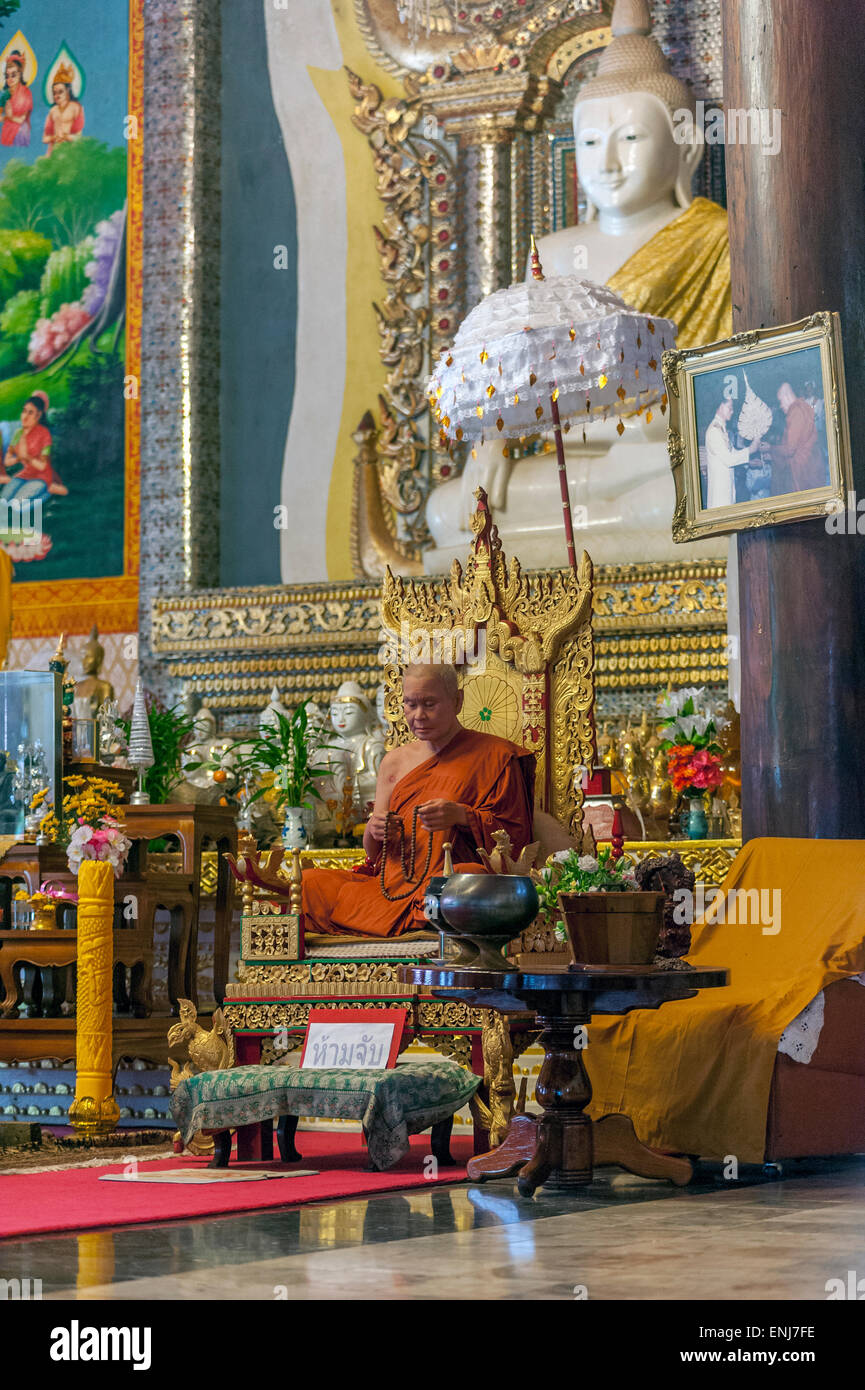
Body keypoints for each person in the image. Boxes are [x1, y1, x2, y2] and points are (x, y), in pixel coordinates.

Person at [301, 662, 535, 937]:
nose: (418, 715)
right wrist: (376, 831)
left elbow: (516, 840)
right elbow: (374, 853)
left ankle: (412, 915)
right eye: (410, 705)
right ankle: (408, 918)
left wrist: (462, 816)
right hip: (390, 886)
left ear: (457, 701)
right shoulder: (394, 762)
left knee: (463, 881)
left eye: (429, 704)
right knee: (309, 883)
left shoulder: (496, 756)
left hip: (447, 881)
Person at [0, 393, 68, 500]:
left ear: (39, 414)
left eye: (30, 412)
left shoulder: (44, 433)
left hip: (40, 476)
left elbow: (43, 466)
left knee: (18, 503)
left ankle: (50, 489)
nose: (25, 416)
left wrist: (26, 456)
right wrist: (18, 457)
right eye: (24, 411)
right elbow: (8, 460)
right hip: (24, 474)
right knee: (4, 499)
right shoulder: (18, 432)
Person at [704, 397, 759, 509]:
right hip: (719, 496)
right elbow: (729, 460)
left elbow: (732, 452)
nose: (732, 411)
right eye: (730, 407)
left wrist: (748, 461)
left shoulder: (721, 428)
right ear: (720, 406)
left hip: (726, 489)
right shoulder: (714, 431)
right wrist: (750, 450)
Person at [772, 381, 825, 493]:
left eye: (780, 402)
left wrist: (771, 449)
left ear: (786, 397)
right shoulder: (804, 406)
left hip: (803, 471)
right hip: (812, 465)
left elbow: (790, 449)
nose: (780, 406)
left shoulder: (796, 411)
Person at [42, 67, 85, 155]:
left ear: (68, 90)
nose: (57, 96)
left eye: (60, 92)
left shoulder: (75, 108)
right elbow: (45, 138)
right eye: (54, 93)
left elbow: (79, 137)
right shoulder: (53, 111)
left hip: (70, 150)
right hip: (54, 151)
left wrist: (65, 137)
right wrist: (54, 138)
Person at [0, 51, 32, 148]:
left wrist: (9, 117)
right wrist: (6, 117)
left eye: (13, 75)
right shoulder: (5, 95)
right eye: (7, 76)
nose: (10, 79)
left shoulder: (26, 94)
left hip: (21, 131)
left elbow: (22, 119)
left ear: (20, 74)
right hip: (7, 131)